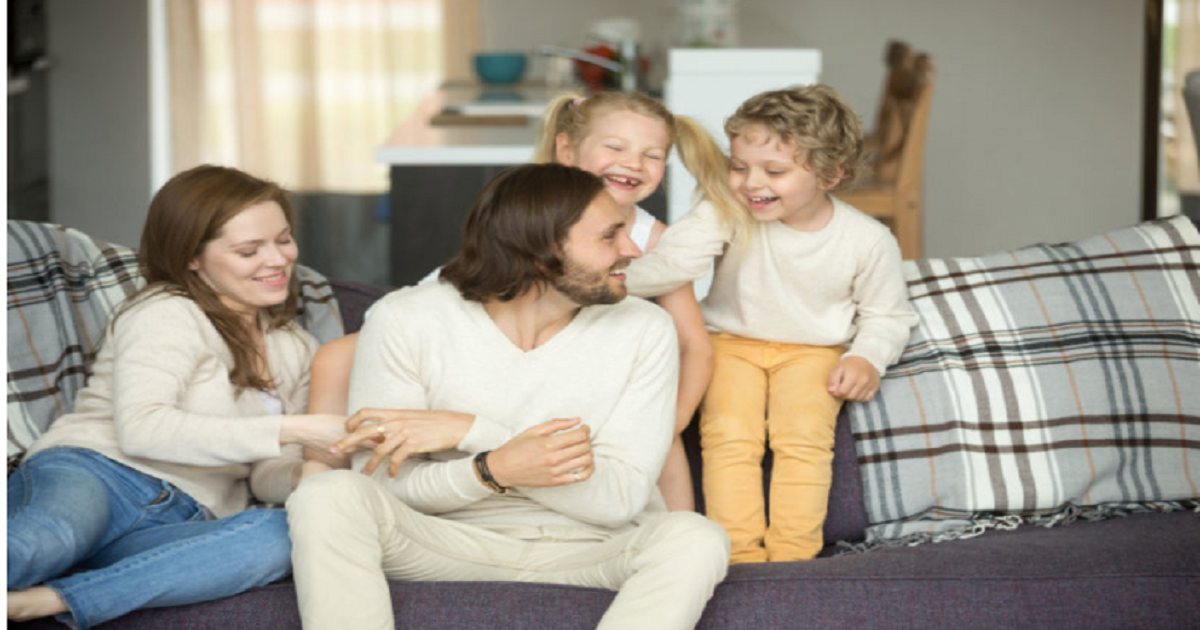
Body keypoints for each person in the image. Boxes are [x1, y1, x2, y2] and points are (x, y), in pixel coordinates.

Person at [286, 163, 730, 630]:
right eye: (610, 236)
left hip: (596, 547)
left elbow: (619, 499)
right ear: (540, 253)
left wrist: (475, 431)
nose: (633, 250)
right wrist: (491, 471)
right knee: (328, 494)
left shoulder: (644, 328)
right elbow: (383, 484)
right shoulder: (406, 320)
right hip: (446, 541)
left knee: (695, 537)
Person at [306, 91, 743, 512]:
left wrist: (668, 425)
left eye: (652, 155)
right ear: (566, 150)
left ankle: (675, 527)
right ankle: (317, 480)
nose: (634, 163)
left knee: (656, 449)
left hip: (576, 357)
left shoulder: (651, 241)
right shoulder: (526, 208)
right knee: (336, 356)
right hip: (470, 319)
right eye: (616, 147)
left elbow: (693, 344)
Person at [6, 165, 349, 628]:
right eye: (250, 250)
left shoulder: (297, 347)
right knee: (43, 542)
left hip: (186, 516)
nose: (277, 260)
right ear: (193, 257)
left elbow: (265, 471)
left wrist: (320, 471)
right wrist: (296, 427)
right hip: (99, 474)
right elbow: (146, 430)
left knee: (288, 536)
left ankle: (51, 600)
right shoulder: (166, 312)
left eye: (283, 239)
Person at [622, 85, 919, 564]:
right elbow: (671, 263)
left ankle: (792, 559)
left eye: (774, 171)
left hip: (813, 353)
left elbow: (887, 315)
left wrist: (867, 357)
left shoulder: (867, 239)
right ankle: (737, 555)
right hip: (730, 344)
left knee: (803, 436)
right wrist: (604, 283)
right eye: (739, 167)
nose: (749, 183)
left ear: (829, 174)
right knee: (728, 435)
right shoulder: (726, 210)